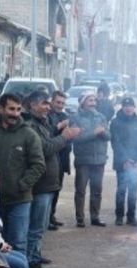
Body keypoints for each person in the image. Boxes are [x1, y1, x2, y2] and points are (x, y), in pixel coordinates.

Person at [0, 93, 46, 253]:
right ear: (0, 108)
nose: (15, 113)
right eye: (11, 109)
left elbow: (38, 165)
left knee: (18, 243)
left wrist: (21, 186)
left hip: (20, 200)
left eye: (18, 109)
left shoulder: (29, 135)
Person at [25, 91, 79, 268]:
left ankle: (35, 257)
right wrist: (65, 136)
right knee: (34, 228)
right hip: (39, 185)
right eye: (44, 104)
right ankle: (30, 264)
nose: (48, 107)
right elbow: (46, 148)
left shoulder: (43, 122)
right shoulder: (29, 126)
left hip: (48, 184)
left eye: (49, 104)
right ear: (32, 105)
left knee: (39, 228)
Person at [70, 91, 110, 227]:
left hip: (99, 160)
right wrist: (94, 133)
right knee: (80, 190)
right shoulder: (75, 118)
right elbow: (76, 138)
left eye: (94, 100)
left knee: (97, 190)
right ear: (83, 103)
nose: (93, 103)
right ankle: (80, 218)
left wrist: (103, 132)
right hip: (83, 160)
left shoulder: (101, 117)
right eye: (90, 100)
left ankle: (95, 217)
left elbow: (108, 136)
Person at [110, 97, 137, 226]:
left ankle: (131, 216)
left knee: (133, 191)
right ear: (122, 107)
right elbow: (116, 143)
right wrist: (125, 160)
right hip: (122, 163)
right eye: (126, 106)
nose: (128, 108)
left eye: (131, 106)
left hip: (136, 164)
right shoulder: (115, 123)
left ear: (134, 107)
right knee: (121, 190)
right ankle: (119, 216)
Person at [47, 90, 73, 229]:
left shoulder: (64, 115)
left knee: (57, 189)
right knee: (48, 191)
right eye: (58, 102)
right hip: (50, 159)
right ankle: (46, 219)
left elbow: (68, 138)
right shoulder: (47, 115)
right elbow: (47, 135)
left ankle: (51, 215)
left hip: (62, 159)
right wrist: (59, 127)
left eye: (62, 103)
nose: (60, 105)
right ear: (51, 101)